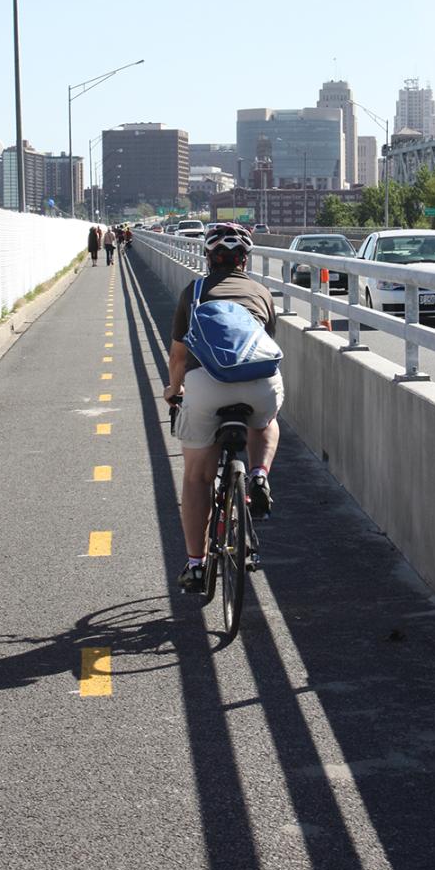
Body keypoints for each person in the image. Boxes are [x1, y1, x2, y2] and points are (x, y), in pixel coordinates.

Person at [164, 222, 282, 593]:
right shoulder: (262, 292)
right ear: (245, 260)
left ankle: (196, 565)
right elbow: (264, 345)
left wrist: (173, 390)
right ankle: (260, 473)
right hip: (260, 386)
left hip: (206, 386)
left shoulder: (194, 292)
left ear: (208, 258)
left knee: (197, 477)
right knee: (266, 421)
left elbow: (179, 355)